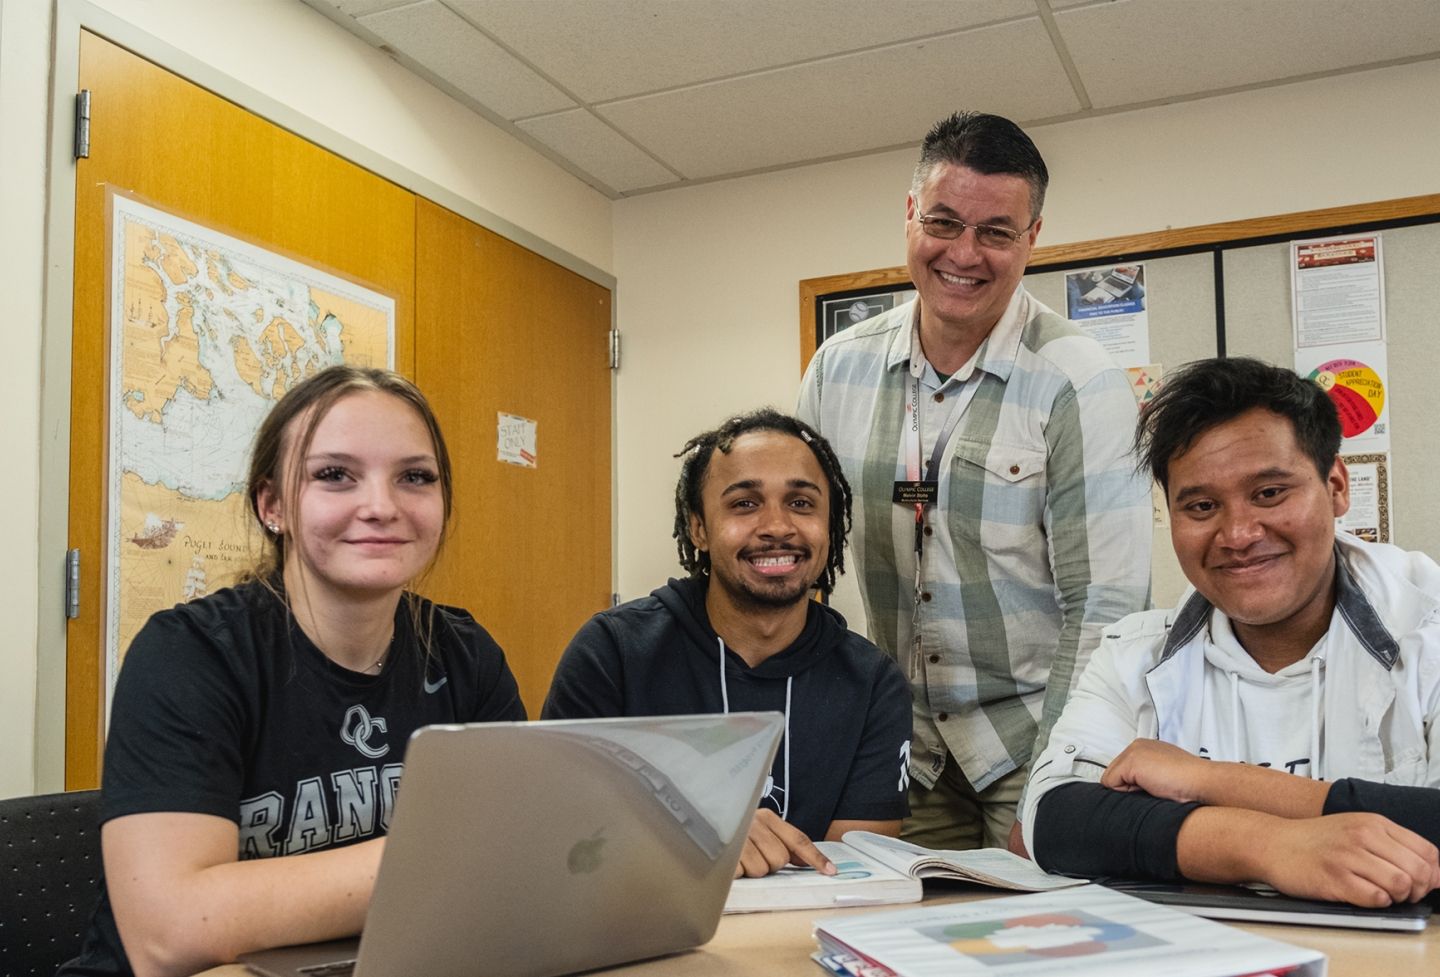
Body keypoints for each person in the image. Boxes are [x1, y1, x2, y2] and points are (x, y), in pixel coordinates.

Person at [60, 366, 525, 977]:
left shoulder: (467, 655)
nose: (381, 507)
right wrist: (445, 862)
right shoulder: (190, 654)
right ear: (272, 505)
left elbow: (518, 868)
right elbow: (172, 935)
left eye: (415, 477)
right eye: (335, 475)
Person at [796, 111, 1151, 852]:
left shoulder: (1078, 381)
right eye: (944, 222)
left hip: (1030, 742)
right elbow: (807, 560)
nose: (964, 253)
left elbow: (1106, 603)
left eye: (995, 232)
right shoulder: (839, 368)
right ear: (908, 216)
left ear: (1033, 238)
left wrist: (1060, 774)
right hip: (903, 742)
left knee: (1036, 952)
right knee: (896, 945)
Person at [1022, 357, 1440, 907]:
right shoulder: (1134, 652)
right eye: (1201, 506)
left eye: (1269, 493)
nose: (1238, 534)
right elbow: (1056, 820)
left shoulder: (1425, 625)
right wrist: (1270, 845)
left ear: (1336, 487)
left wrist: (1208, 780)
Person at [543, 409, 911, 878]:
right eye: (744, 504)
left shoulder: (875, 684)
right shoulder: (612, 652)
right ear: (698, 527)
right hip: (643, 930)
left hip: (808, 939)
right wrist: (698, 837)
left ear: (829, 524)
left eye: (801, 503)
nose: (777, 526)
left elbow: (850, 875)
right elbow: (564, 842)